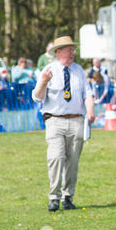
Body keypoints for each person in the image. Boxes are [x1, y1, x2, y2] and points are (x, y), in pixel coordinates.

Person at [32, 36, 95, 212]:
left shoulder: (79, 70)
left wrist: (90, 111)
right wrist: (43, 81)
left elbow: (87, 93)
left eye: (73, 50)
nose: (72, 53)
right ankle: (54, 198)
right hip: (55, 120)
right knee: (56, 157)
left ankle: (68, 197)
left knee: (72, 162)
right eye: (68, 50)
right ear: (58, 52)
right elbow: (36, 97)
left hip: (76, 120)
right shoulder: (48, 70)